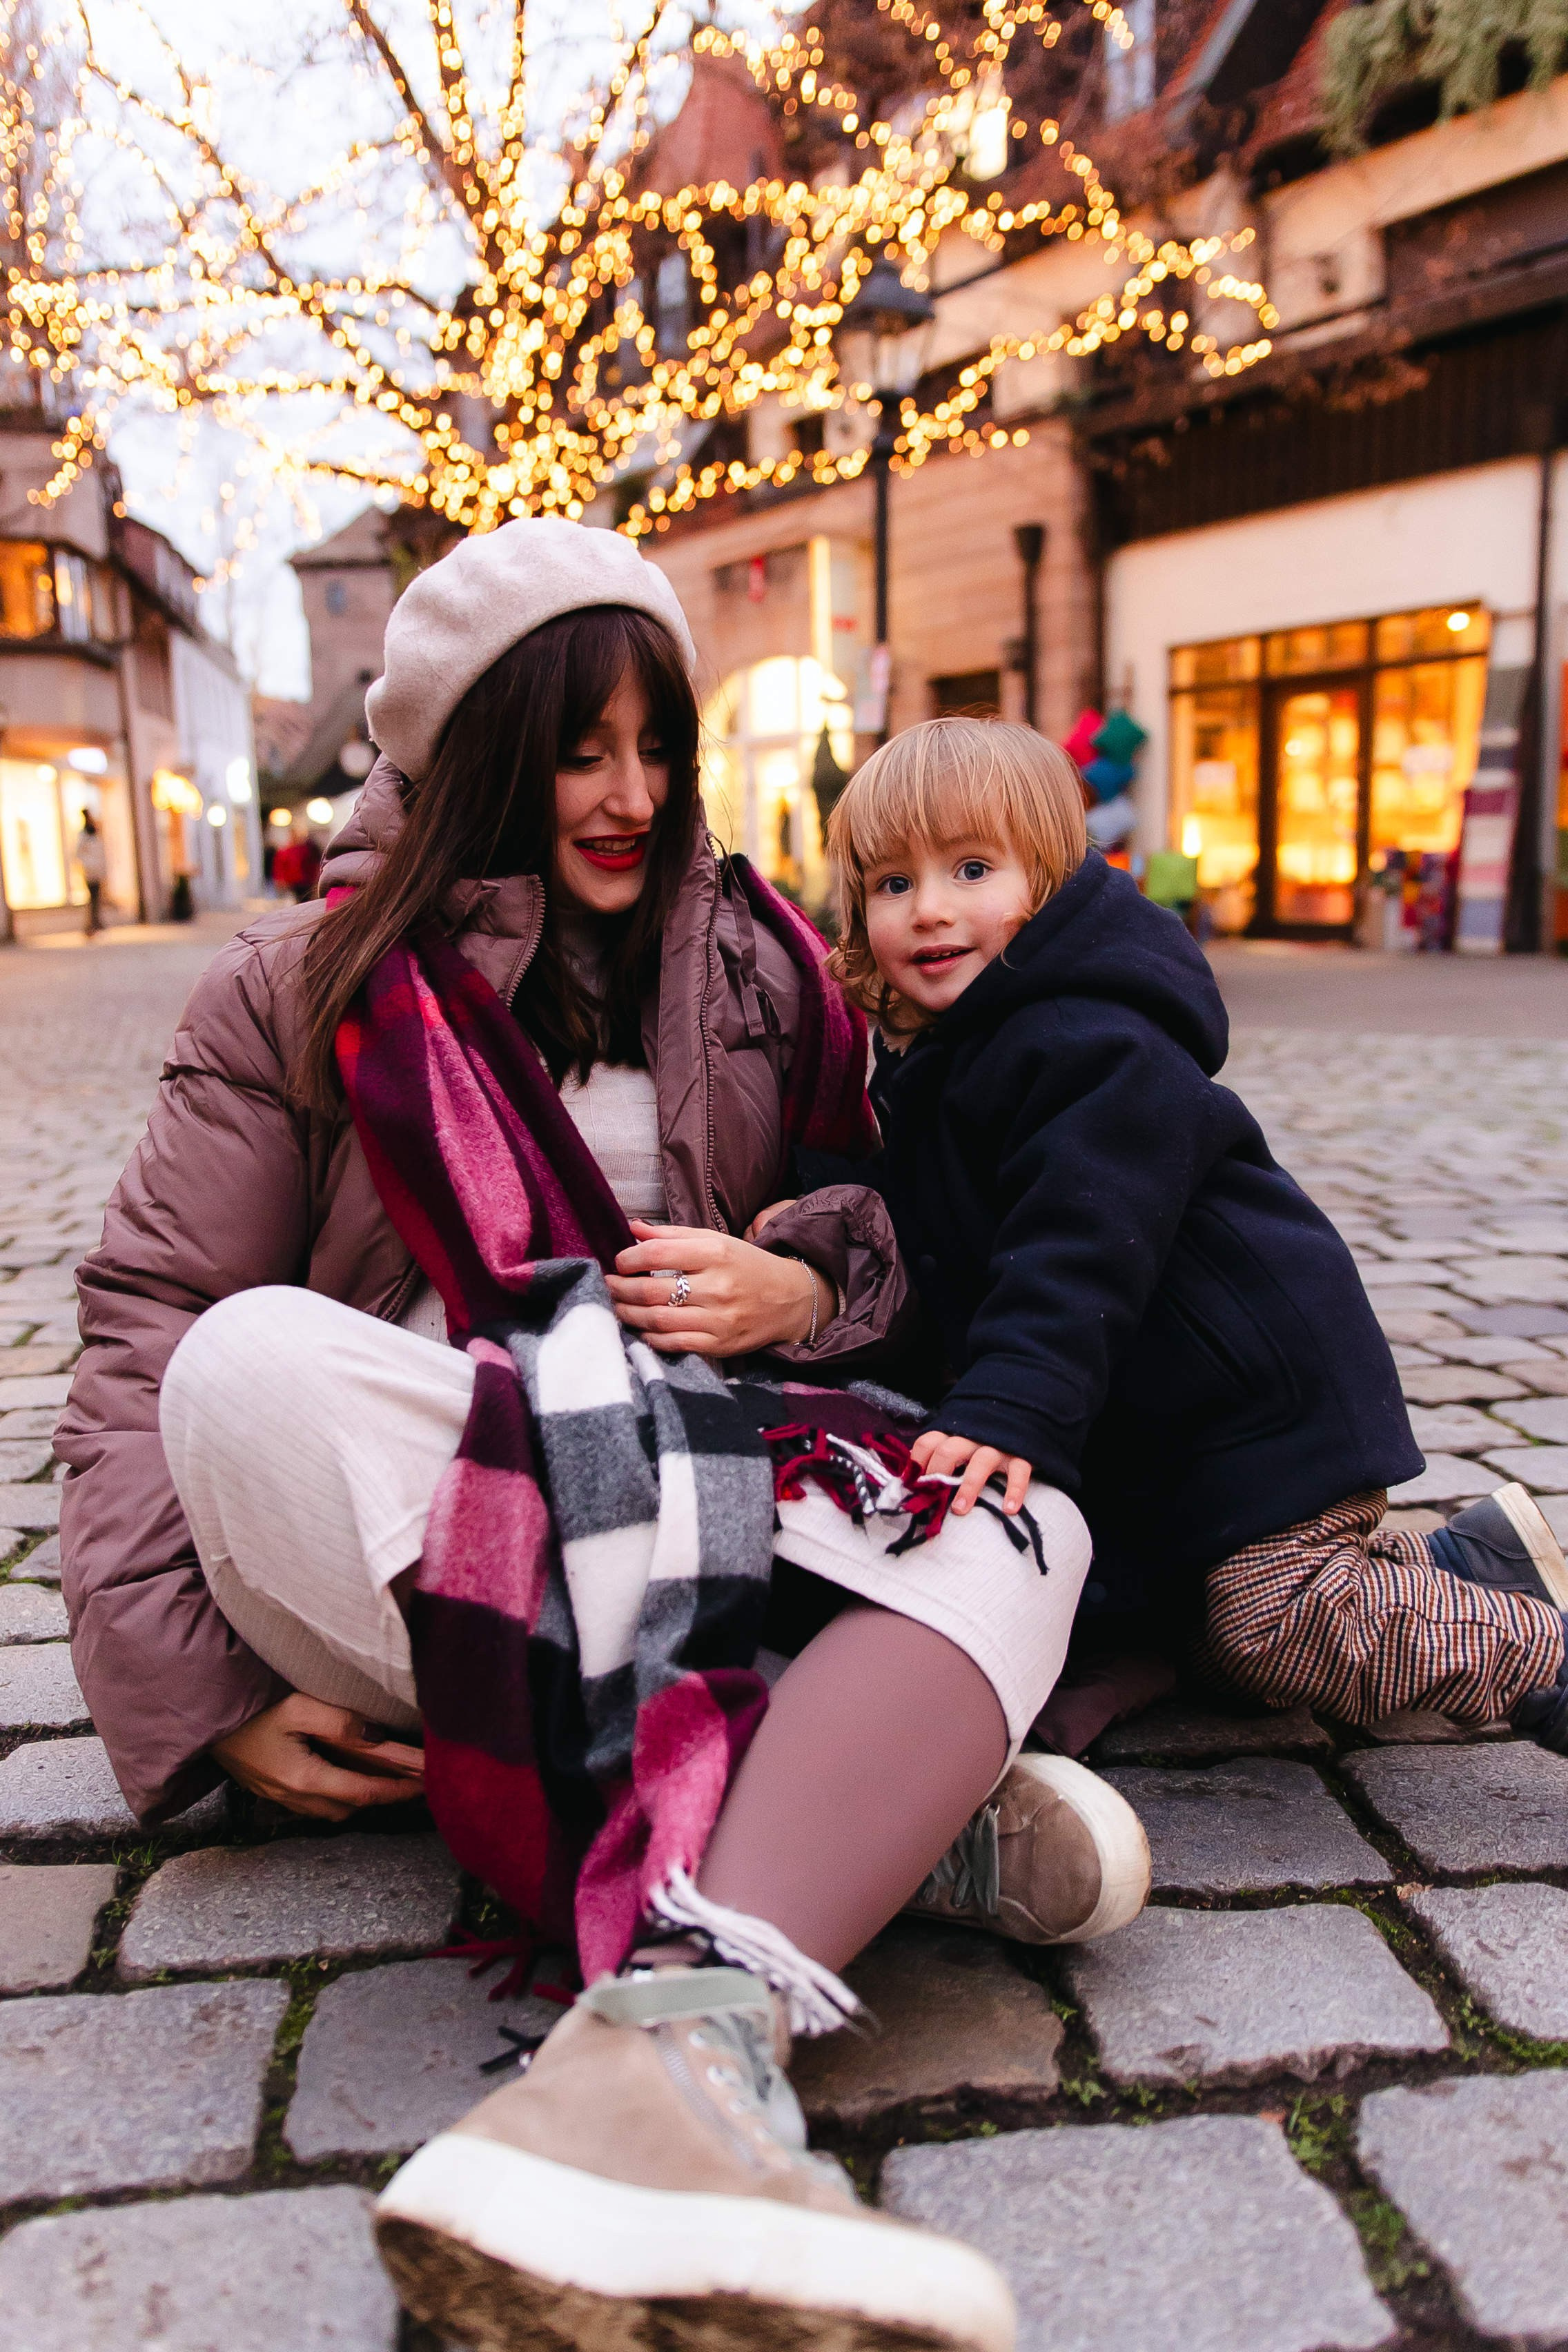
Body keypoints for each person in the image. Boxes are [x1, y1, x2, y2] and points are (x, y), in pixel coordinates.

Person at [57, 522, 1150, 2352]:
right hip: (448, 1519)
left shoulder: (767, 969)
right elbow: (147, 1318)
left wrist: (802, 1282)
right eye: (579, 751)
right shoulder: (296, 985)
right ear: (480, 754)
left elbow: (911, 1226)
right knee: (240, 1366)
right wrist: (195, 1688)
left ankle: (669, 2058)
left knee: (1021, 1515)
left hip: (708, 1482)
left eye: (658, 746)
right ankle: (857, 1800)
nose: (632, 795)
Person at [789, 714, 1568, 1750]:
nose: (929, 908)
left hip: (1256, 1418)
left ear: (1051, 880)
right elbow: (931, 1213)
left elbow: (1077, 1245)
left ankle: (1540, 1661)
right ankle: (1461, 1564)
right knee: (1203, 1635)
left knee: (1269, 1628)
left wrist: (1010, 1404)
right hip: (1165, 1438)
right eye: (894, 883)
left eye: (972, 869)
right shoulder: (944, 1053)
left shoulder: (1091, 1043)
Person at [75, 809, 106, 936]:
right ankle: (92, 924)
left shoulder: (94, 833)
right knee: (92, 897)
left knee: (96, 897)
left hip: (96, 870)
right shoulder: (84, 835)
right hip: (89, 871)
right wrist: (87, 865)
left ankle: (96, 922)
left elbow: (100, 853)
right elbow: (79, 853)